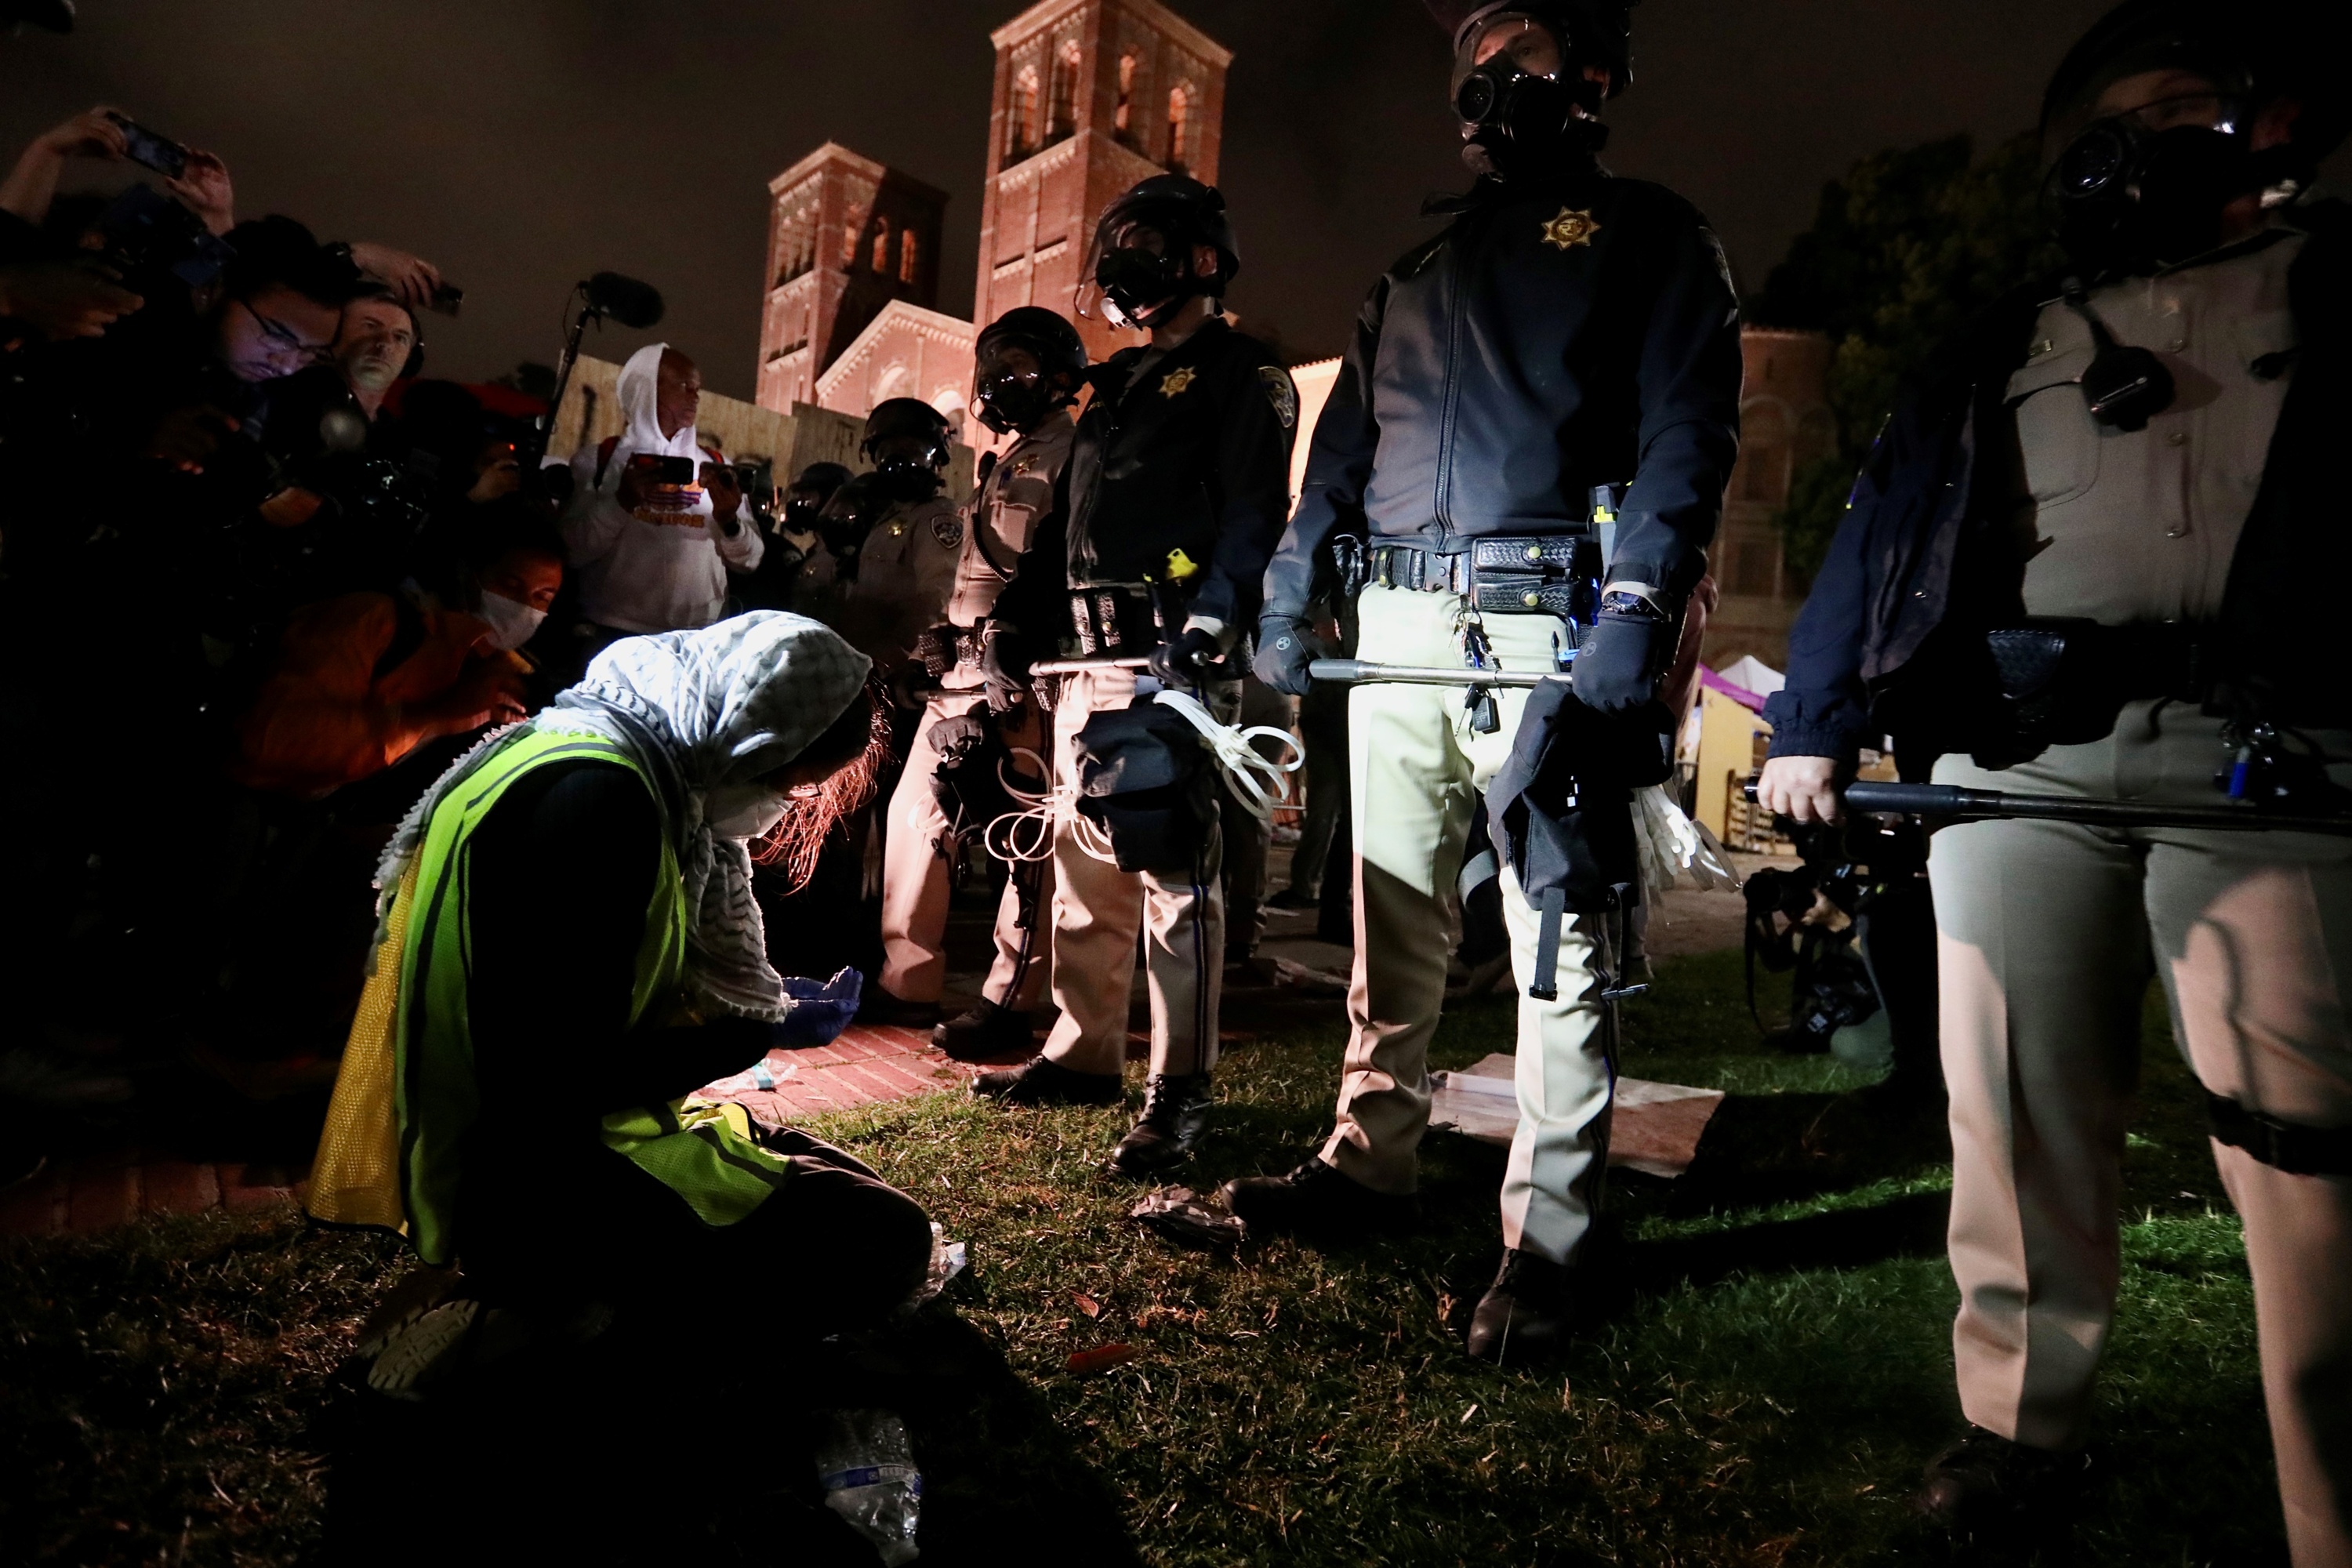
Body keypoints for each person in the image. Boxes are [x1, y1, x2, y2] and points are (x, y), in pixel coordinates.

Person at [1755, 2, 2350, 1555]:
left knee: (2306, 1146)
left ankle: (2332, 1489)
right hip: (2023, 769)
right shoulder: (2002, 336)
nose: (2137, 145)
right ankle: (2023, 1424)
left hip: (2278, 769)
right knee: (2014, 1106)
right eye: (2108, 121)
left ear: (2261, 130)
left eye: (2181, 110)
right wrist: (1812, 716)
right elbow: (1883, 522)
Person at [1228, 0, 1742, 1364]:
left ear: (1593, 82)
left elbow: (1692, 427)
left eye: (1523, 62)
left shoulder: (1650, 233)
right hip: (1392, 633)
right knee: (1387, 923)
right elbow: (1340, 453)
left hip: (1547, 630)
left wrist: (1639, 607)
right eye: (1476, 64)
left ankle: (1556, 1238)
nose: (1489, 86)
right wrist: (1288, 589)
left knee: (1557, 937)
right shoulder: (1413, 271)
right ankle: (1366, 1157)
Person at [307, 612, 932, 1346]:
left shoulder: (580, 746)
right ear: (746, 738)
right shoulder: (609, 801)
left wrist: (740, 1017)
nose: (775, 810)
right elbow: (553, 1077)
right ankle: (570, 1316)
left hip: (523, 1151)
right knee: (889, 1237)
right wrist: (741, 1038)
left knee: (824, 1168)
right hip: (532, 1189)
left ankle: (589, 1296)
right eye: (785, 783)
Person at [973, 174, 1298, 1176]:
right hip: (1078, 658)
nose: (1124, 261)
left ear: (1203, 254)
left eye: (1146, 240)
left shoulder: (1245, 372)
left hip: (1168, 663)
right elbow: (1062, 530)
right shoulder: (1111, 388)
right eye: (1116, 243)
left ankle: (1181, 1089)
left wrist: (1212, 620)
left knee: (1173, 880)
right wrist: (1013, 625)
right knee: (1080, 874)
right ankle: (1082, 1053)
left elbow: (1255, 511)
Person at [874, 308, 1084, 1051]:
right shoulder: (1005, 458)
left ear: (1061, 375)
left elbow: (1056, 569)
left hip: (1023, 673)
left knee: (1025, 834)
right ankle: (907, 983)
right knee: (916, 822)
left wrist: (1015, 652)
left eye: (1018, 369)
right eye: (991, 371)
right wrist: (941, 634)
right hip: (960, 669)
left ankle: (1014, 995)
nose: (999, 385)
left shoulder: (1075, 454)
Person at [561, 342, 762, 652]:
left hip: (697, 642)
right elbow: (571, 551)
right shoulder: (599, 461)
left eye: (698, 389)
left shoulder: (717, 466)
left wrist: (730, 523)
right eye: (685, 386)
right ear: (646, 389)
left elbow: (751, 560)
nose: (695, 397)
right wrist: (621, 503)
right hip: (612, 635)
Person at [790, 398, 964, 677]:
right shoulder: (878, 518)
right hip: (850, 663)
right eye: (888, 452)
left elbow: (935, 597)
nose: (899, 461)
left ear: (936, 460)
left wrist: (893, 659)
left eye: (913, 451)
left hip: (891, 672)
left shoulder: (935, 517)